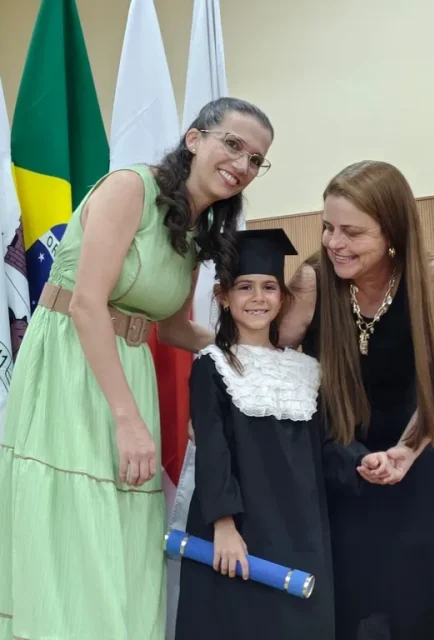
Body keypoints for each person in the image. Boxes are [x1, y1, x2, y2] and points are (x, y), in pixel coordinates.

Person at [0, 97, 274, 640]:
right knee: (75, 525)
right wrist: (128, 420)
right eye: (233, 145)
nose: (242, 164)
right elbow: (86, 305)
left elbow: (171, 329)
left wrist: (250, 351)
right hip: (72, 366)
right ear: (194, 139)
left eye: (255, 159)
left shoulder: (196, 227)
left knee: (121, 535)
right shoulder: (130, 188)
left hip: (129, 370)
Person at [279, 160, 434, 640]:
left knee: (410, 602)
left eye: (352, 232)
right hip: (337, 465)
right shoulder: (313, 281)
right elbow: (264, 360)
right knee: (344, 603)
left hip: (414, 461)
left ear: (392, 233)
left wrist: (407, 449)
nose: (334, 243)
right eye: (328, 227)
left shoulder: (431, 280)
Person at [174, 228, 390, 640]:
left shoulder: (306, 369)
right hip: (241, 531)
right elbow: (213, 449)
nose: (258, 297)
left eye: (269, 287)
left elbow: (327, 444)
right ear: (223, 296)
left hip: (301, 530)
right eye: (245, 287)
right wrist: (223, 525)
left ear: (283, 298)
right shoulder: (212, 365)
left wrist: (362, 461)